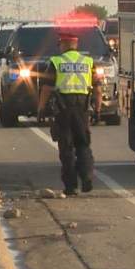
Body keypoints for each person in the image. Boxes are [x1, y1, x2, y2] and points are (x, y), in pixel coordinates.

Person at [37, 32, 99, 196]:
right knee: (83, 144)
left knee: (66, 148)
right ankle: (86, 177)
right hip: (82, 109)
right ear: (76, 44)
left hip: (63, 110)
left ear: (63, 44)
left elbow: (47, 88)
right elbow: (98, 88)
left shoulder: (56, 62)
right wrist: (98, 110)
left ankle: (71, 186)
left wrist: (41, 109)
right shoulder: (88, 62)